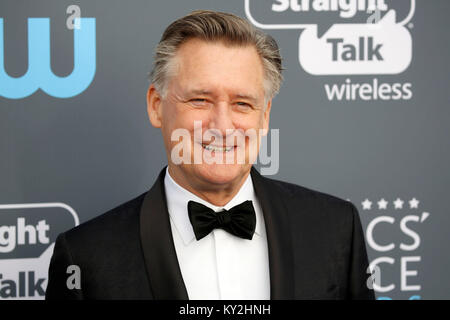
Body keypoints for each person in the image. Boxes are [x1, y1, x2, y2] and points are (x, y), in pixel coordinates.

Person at [46, 10, 375, 300]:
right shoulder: (85, 257)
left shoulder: (335, 228)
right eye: (200, 100)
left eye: (242, 104)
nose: (221, 126)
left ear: (265, 116)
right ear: (156, 106)